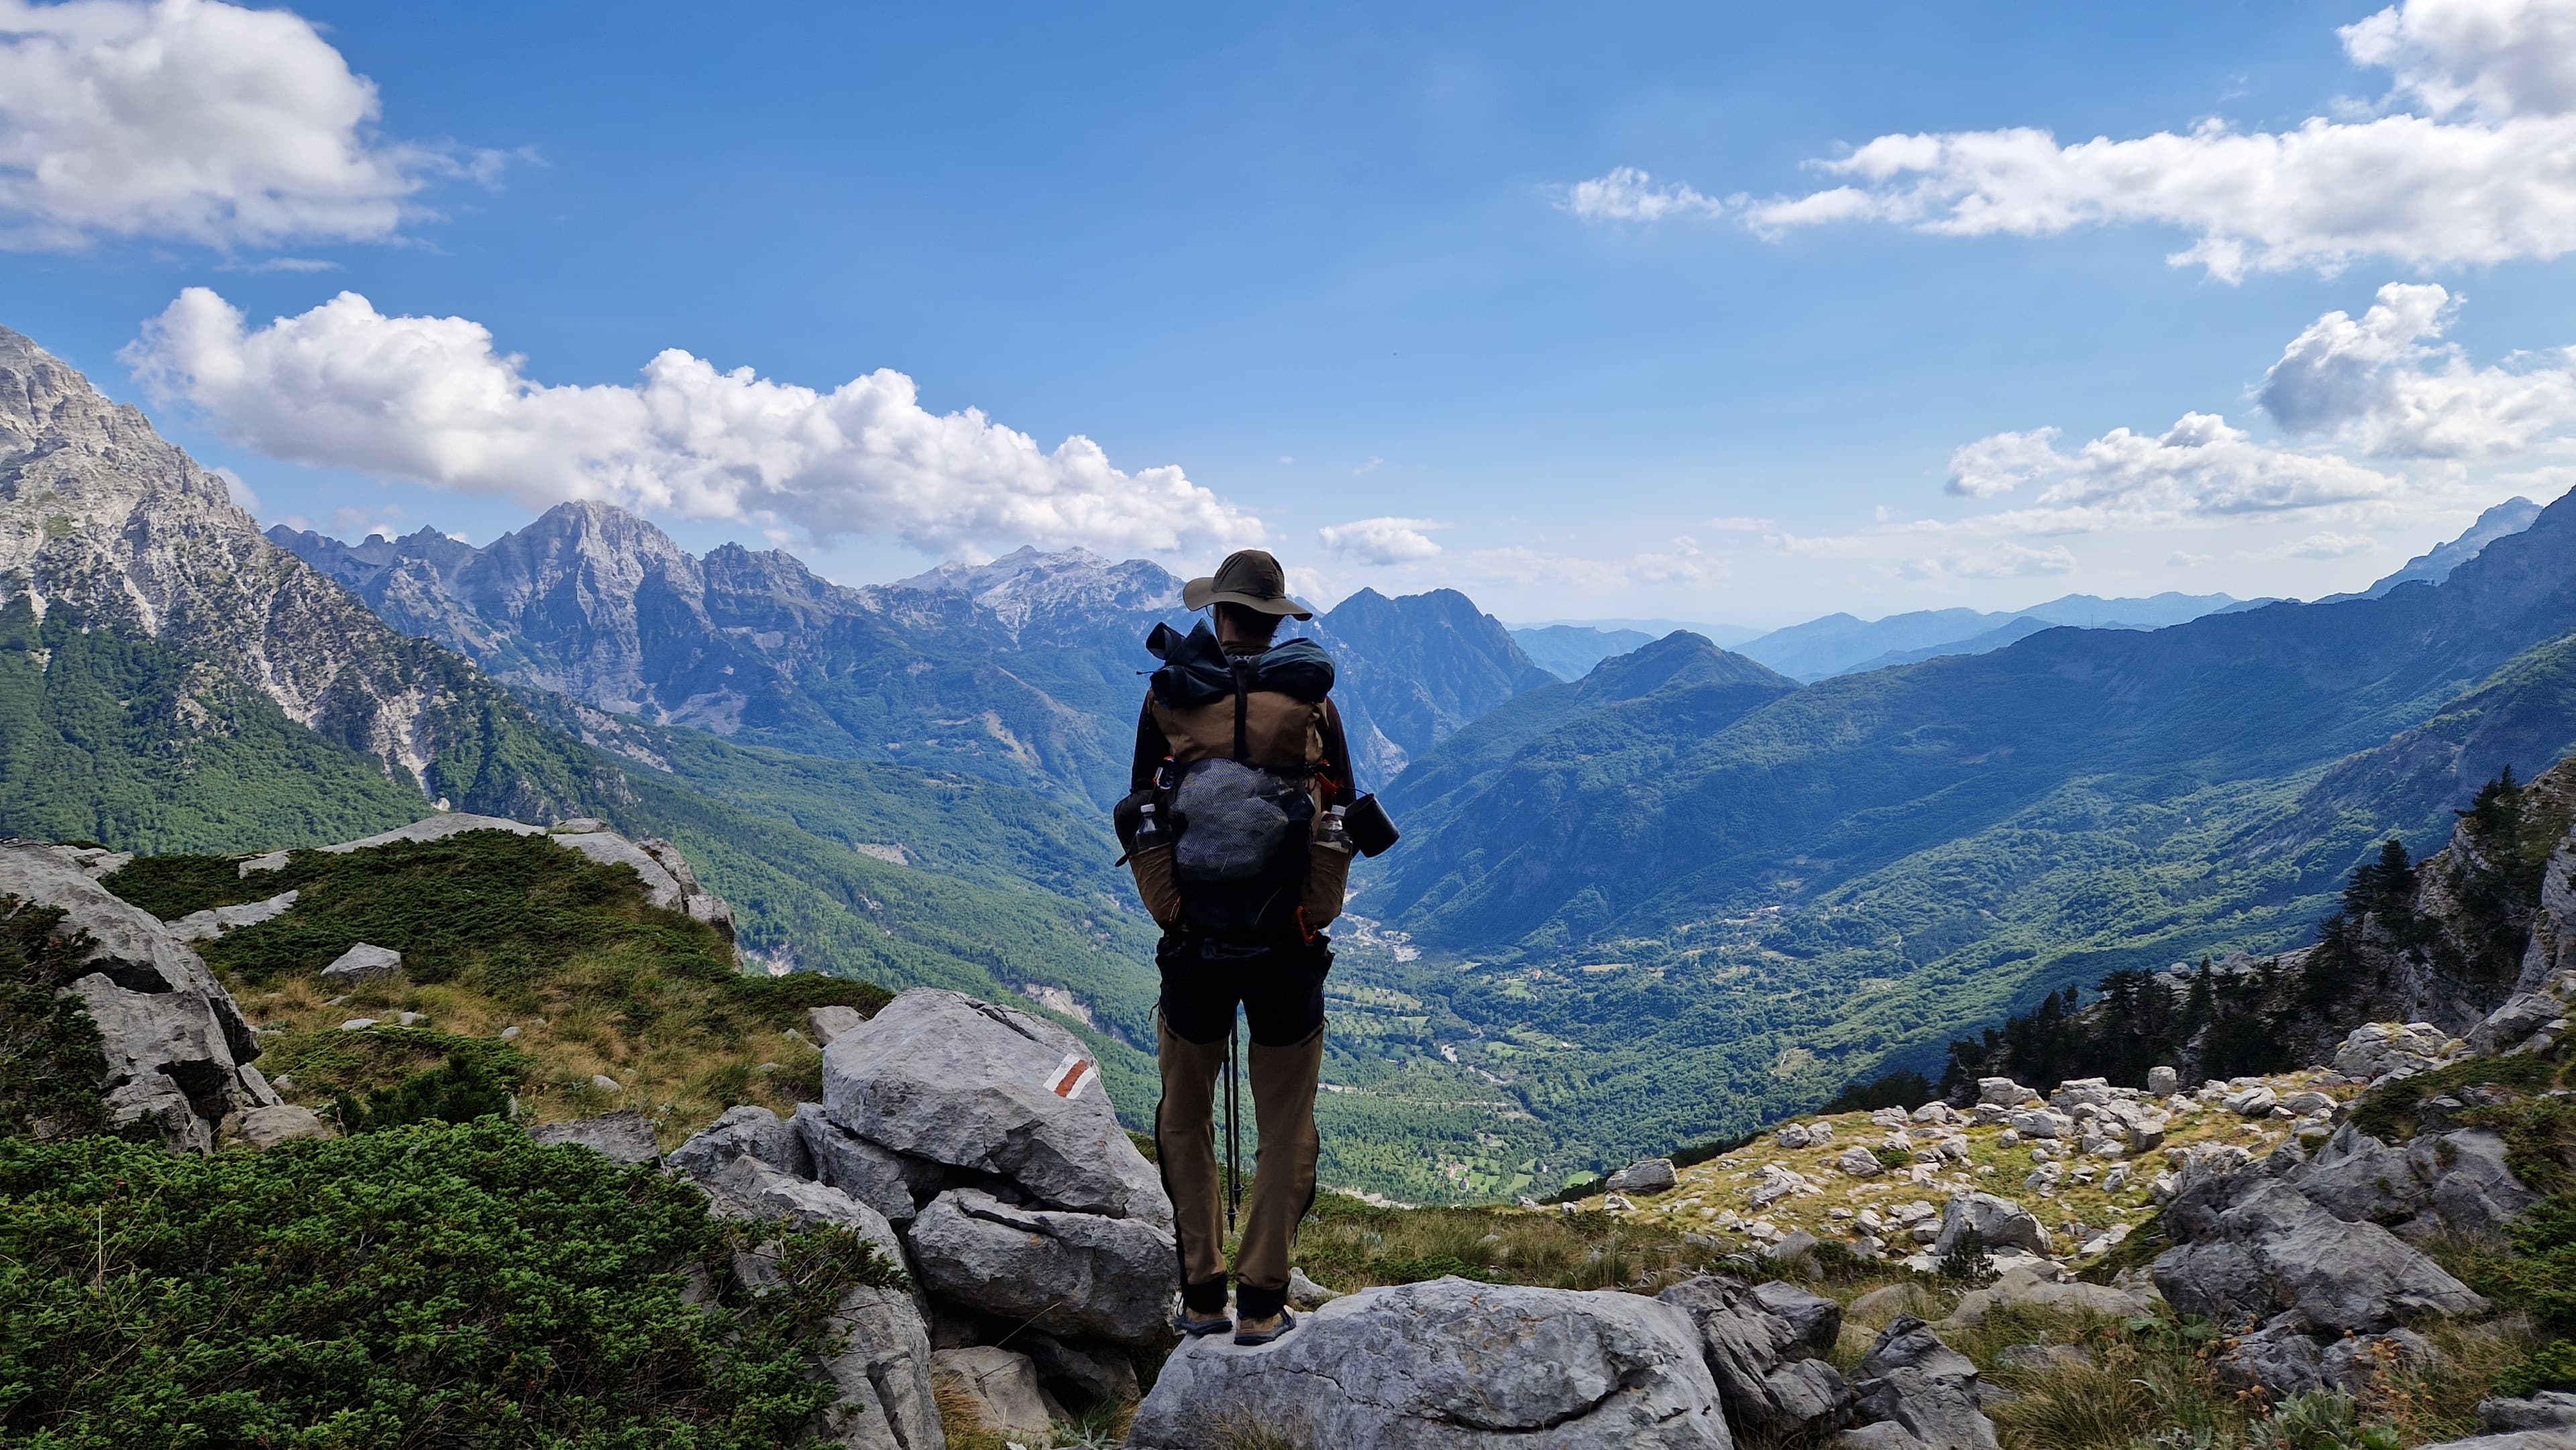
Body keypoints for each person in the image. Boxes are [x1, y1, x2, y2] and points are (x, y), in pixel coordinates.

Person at [1122, 547, 1354, 1347]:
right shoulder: (1311, 703)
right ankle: (1262, 1299)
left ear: (1217, 616)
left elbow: (1140, 800)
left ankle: (1201, 1294)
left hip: (1194, 943)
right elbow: (1344, 808)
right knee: (1286, 1124)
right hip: (1288, 944)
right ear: (1277, 618)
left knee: (1184, 1117)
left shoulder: (1170, 696)